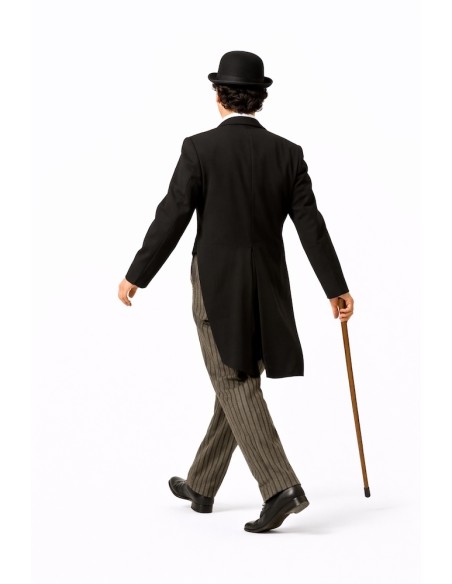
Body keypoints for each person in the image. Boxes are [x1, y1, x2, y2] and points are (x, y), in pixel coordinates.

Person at [118, 50, 354, 533]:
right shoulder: (287, 153)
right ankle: (202, 485)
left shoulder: (199, 148)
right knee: (237, 378)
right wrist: (336, 287)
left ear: (218, 95)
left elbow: (173, 215)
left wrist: (137, 274)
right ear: (260, 98)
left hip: (216, 282)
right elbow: (311, 225)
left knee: (232, 381)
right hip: (269, 285)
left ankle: (280, 487)